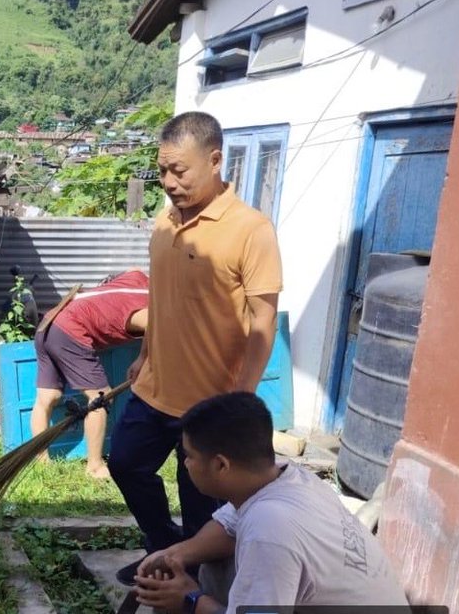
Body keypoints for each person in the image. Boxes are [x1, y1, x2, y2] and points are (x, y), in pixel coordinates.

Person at [109, 111, 283, 586]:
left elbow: (263, 319)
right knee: (125, 463)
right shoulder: (165, 221)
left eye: (178, 171)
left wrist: (241, 399)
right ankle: (164, 549)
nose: (168, 182)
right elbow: (159, 293)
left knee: (203, 502)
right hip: (153, 386)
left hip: (209, 403)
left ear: (214, 160)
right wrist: (144, 354)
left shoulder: (251, 229)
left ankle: (195, 583)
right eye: (163, 171)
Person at [133, 392, 409, 613]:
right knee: (215, 564)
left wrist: (190, 600)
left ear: (220, 465)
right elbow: (228, 525)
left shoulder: (269, 530)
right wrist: (174, 554)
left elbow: (262, 537)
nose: (185, 463)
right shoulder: (288, 477)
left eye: (189, 455)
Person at [31, 269, 149, 479]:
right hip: (70, 329)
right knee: (100, 397)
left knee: (47, 397)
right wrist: (142, 359)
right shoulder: (149, 310)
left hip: (50, 320)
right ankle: (95, 466)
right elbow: (157, 327)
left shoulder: (138, 277)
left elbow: (132, 270)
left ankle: (41, 461)